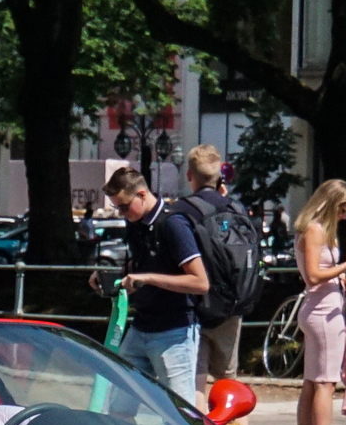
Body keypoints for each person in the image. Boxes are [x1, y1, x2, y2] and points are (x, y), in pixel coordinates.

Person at [95, 162, 209, 400]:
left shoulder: (173, 224)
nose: (122, 213)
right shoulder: (138, 225)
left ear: (142, 194)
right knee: (118, 406)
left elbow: (200, 283)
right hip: (141, 326)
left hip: (174, 330)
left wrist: (147, 279)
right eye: (118, 209)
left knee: (180, 412)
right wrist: (113, 276)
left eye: (125, 207)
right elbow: (142, 265)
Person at [293, 180, 346, 425]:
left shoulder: (315, 229)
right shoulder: (315, 230)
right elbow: (314, 275)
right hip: (323, 313)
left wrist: (340, 277)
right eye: (342, 209)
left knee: (312, 382)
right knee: (325, 383)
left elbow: (320, 273)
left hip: (318, 308)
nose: (344, 215)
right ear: (330, 205)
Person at [175, 143, 254, 399]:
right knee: (229, 380)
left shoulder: (182, 211)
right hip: (232, 305)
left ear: (189, 176)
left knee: (196, 381)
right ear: (220, 175)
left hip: (194, 306)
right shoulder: (237, 209)